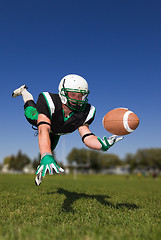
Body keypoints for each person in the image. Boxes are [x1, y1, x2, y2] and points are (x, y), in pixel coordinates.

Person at [12, 74, 123, 186]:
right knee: (30, 107)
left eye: (80, 95)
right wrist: (45, 154)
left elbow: (87, 136)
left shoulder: (86, 111)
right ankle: (24, 91)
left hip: (58, 131)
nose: (77, 99)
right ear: (63, 93)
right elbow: (43, 128)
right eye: (73, 94)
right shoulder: (49, 101)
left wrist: (101, 144)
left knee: (50, 151)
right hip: (41, 120)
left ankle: (40, 169)